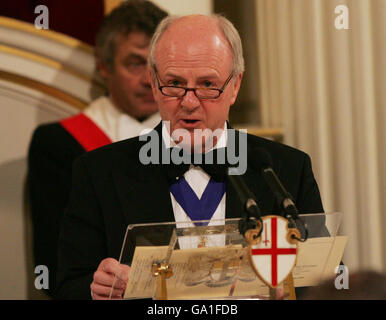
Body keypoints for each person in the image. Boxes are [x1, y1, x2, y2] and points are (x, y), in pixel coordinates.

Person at [56, 14, 324, 300]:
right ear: (153, 81)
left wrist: (291, 290)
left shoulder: (286, 169)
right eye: (174, 83)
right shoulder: (98, 172)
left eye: (208, 84)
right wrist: (96, 289)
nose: (189, 102)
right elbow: (68, 287)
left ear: (235, 86)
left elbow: (324, 280)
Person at [27, 0, 167, 298]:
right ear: (104, 66)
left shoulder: (196, 137)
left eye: (156, 65)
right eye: (134, 64)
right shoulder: (60, 143)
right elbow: (53, 261)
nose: (147, 79)